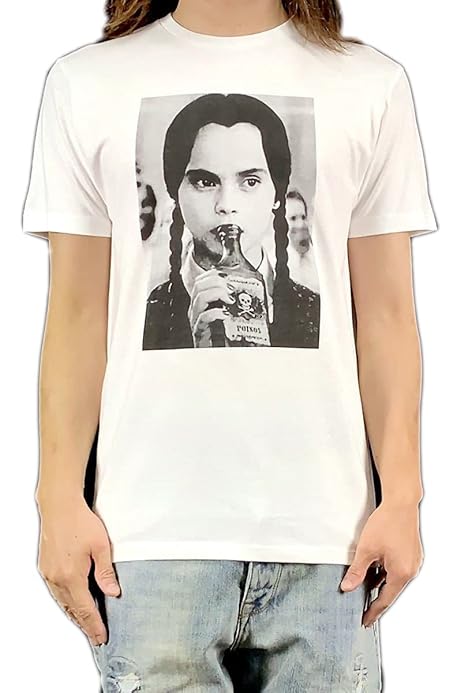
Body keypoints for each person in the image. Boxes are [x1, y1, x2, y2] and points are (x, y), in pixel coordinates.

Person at [21, 0, 438, 691]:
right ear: (176, 192)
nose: (225, 206)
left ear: (276, 193)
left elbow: (389, 317)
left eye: (249, 180)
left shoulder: (370, 83)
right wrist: (56, 501)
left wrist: (405, 499)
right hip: (147, 544)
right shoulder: (86, 81)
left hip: (331, 543)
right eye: (202, 180)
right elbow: (75, 315)